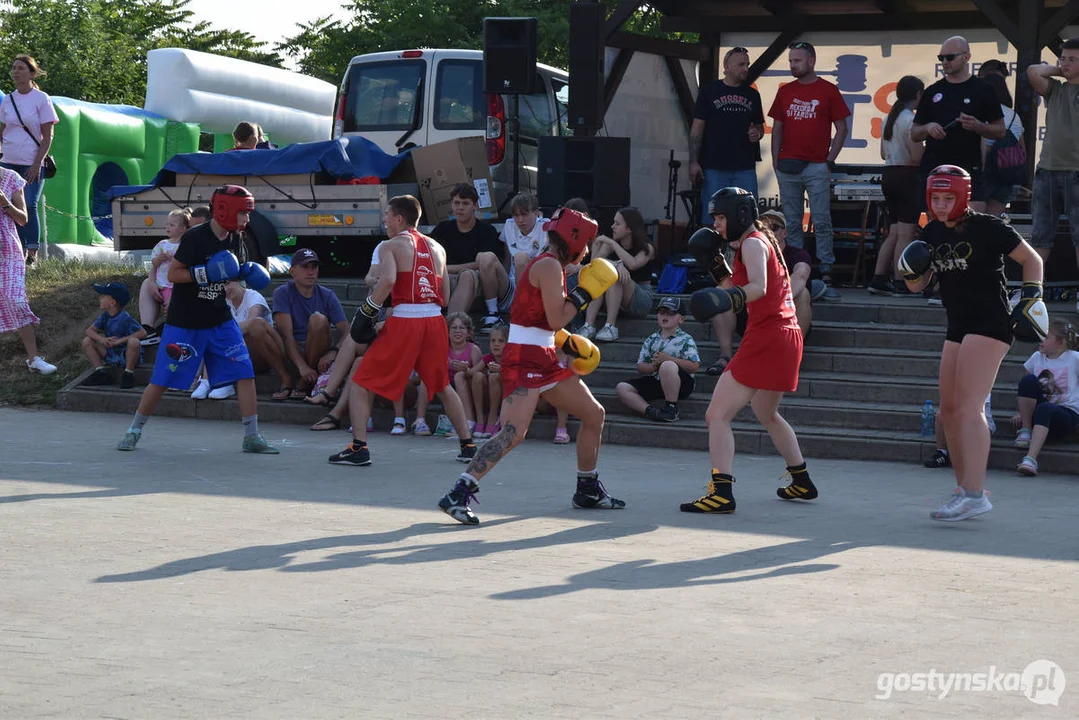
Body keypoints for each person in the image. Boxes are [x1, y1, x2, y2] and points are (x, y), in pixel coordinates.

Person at [437, 207, 624, 525]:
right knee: (512, 433)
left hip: (543, 354)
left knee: (594, 414)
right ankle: (458, 492)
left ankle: (588, 488)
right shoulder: (550, 266)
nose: (588, 251)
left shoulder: (552, 265)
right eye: (586, 243)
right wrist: (585, 293)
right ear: (574, 240)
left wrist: (567, 343)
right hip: (526, 359)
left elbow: (541, 321)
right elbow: (556, 317)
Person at [898, 165, 1045, 521]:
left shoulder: (987, 226)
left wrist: (1030, 298)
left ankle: (977, 493)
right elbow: (918, 287)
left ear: (963, 195)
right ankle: (964, 490)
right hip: (958, 324)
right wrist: (910, 270)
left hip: (990, 322)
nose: (943, 204)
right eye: (936, 197)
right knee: (948, 411)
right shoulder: (931, 232)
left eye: (949, 197)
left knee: (969, 407)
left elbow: (1032, 259)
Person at [680, 188, 814, 514]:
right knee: (766, 413)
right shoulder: (754, 243)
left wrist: (725, 300)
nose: (717, 225)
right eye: (715, 218)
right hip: (785, 335)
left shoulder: (753, 243)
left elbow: (758, 288)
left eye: (721, 217)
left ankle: (721, 492)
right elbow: (739, 285)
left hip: (768, 336)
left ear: (739, 215)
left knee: (717, 415)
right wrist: (716, 267)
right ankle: (802, 480)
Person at [115, 184, 277, 454]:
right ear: (226, 210)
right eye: (243, 214)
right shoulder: (195, 238)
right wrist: (205, 273)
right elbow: (175, 275)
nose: (247, 220)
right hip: (185, 322)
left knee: (244, 373)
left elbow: (229, 273)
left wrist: (243, 273)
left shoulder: (236, 238)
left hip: (220, 319)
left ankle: (252, 436)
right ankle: (134, 430)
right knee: (162, 379)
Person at [327, 195, 476, 467]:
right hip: (434, 321)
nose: (384, 220)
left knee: (360, 380)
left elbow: (390, 280)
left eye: (386, 214)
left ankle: (358, 448)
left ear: (398, 218)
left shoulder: (390, 246)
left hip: (406, 319)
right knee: (442, 384)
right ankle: (467, 445)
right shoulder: (438, 248)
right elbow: (444, 295)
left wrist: (368, 310)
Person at [768, 41, 850, 292]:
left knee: (822, 219)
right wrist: (775, 160)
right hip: (788, 165)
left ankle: (826, 270)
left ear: (811, 61)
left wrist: (829, 160)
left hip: (816, 166)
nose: (793, 65)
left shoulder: (828, 90)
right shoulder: (785, 91)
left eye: (797, 60)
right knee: (791, 222)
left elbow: (842, 128)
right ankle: (796, 268)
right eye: (791, 60)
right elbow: (777, 128)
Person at [911, 36, 1005, 214]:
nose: (945, 62)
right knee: (939, 227)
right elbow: (914, 132)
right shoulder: (933, 91)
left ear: (966, 57)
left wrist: (978, 126)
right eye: (941, 58)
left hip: (969, 168)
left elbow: (1000, 130)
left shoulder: (983, 90)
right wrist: (928, 127)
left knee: (971, 225)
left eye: (950, 57)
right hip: (936, 167)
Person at [1027, 38, 1079, 307]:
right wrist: (1063, 69)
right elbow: (1032, 71)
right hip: (1048, 171)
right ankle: (1031, 293)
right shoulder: (1056, 90)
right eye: (1063, 58)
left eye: (1072, 59)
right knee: (1040, 236)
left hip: (1077, 172)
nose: (1065, 63)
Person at [689, 46, 765, 224]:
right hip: (714, 165)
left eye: (747, 64)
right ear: (727, 66)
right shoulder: (709, 91)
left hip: (744, 166)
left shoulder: (752, 95)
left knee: (747, 215)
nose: (745, 68)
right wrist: (693, 161)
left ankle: (744, 250)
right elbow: (697, 129)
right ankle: (712, 251)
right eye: (740, 64)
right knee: (713, 215)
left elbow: (760, 127)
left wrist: (757, 133)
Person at [0, 55, 58, 265]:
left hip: (30, 163)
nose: (16, 72)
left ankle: (31, 253)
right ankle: (11, 250)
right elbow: (3, 130)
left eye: (21, 68)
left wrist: (36, 164)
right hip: (7, 161)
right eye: (13, 68)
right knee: (5, 206)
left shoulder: (41, 99)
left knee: (29, 206)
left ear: (32, 73)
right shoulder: (8, 99)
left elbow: (47, 135)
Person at [271, 248, 349, 400]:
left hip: (318, 348)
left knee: (318, 319)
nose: (311, 271)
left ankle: (304, 382)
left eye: (314, 267)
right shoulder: (282, 292)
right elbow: (286, 336)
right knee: (260, 327)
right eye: (305, 267)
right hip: (291, 349)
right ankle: (288, 378)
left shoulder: (327, 295)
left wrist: (333, 351)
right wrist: (301, 366)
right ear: (292, 271)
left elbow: (347, 330)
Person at [871, 75, 925, 296]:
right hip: (906, 176)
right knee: (906, 233)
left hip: (889, 174)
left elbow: (883, 153)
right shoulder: (910, 121)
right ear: (918, 94)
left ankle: (879, 279)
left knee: (893, 232)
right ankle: (900, 281)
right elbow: (916, 157)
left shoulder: (889, 118)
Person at [0, 164, 55, 374]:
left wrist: (5, 203)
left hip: (8, 249)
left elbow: (23, 219)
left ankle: (34, 359)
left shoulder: (11, 178)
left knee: (16, 300)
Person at [433, 183, 511, 332]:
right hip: (447, 283)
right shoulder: (442, 230)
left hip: (480, 289)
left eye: (465, 203)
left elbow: (484, 264)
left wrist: (447, 268)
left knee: (469, 274)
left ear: (475, 206)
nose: (460, 207)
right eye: (456, 203)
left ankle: (450, 327)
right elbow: (431, 260)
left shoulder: (487, 231)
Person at [615, 296, 700, 423]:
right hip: (657, 380)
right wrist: (654, 366)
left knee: (667, 366)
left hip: (682, 383)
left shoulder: (686, 339)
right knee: (622, 387)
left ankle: (672, 408)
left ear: (681, 319)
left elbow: (694, 366)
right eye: (661, 312)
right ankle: (651, 411)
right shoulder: (652, 339)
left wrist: (669, 359)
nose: (665, 315)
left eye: (671, 313)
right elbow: (640, 366)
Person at [579, 207, 655, 342]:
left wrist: (613, 247)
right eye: (613, 223)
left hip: (641, 299)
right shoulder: (610, 245)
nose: (612, 226)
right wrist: (597, 249)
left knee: (614, 275)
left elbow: (632, 264)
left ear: (629, 229)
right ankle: (589, 325)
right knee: (601, 274)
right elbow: (594, 267)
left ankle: (610, 326)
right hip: (614, 300)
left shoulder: (647, 247)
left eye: (617, 224)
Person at [1013, 320, 1079, 477]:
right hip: (1041, 413)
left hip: (1066, 414)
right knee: (1028, 381)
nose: (1040, 340)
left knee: (1045, 408)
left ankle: (1030, 459)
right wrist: (1022, 413)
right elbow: (1028, 389)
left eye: (1046, 337)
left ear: (1060, 342)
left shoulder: (1074, 358)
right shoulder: (1037, 358)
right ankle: (1026, 430)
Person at [139, 208, 191, 345]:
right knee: (150, 288)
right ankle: (148, 329)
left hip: (175, 285)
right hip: (162, 283)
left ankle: (169, 330)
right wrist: (159, 260)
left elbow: (185, 264)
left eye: (172, 225)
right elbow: (154, 264)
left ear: (183, 229)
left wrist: (173, 258)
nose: (168, 227)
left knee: (170, 306)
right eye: (167, 224)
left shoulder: (185, 246)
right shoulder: (162, 244)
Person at [81, 282, 146, 389]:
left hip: (126, 355)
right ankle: (101, 372)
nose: (100, 298)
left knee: (134, 342)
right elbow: (89, 331)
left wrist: (120, 341)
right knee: (87, 340)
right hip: (111, 353)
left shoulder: (125, 318)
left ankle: (128, 373)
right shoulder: (105, 316)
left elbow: (142, 333)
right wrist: (102, 339)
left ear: (112, 303)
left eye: (103, 296)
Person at [981, 72, 1025, 219]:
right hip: (1006, 171)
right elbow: (1022, 150)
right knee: (993, 220)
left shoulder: (981, 112)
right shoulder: (1014, 116)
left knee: (976, 218)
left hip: (984, 169)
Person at [446, 312, 484, 435]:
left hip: (468, 384)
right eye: (454, 327)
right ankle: (420, 420)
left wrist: (466, 371)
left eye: (462, 327)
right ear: (447, 331)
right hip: (448, 384)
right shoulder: (443, 348)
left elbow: (479, 374)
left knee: (459, 376)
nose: (458, 331)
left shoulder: (473, 349)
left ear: (468, 332)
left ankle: (469, 419)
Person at [500, 193, 547, 285]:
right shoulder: (509, 225)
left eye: (524, 214)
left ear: (536, 213)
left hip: (536, 283)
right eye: (516, 215)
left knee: (520, 258)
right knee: (486, 258)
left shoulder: (547, 227)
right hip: (511, 282)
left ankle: (521, 298)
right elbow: (507, 260)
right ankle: (492, 300)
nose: (520, 220)